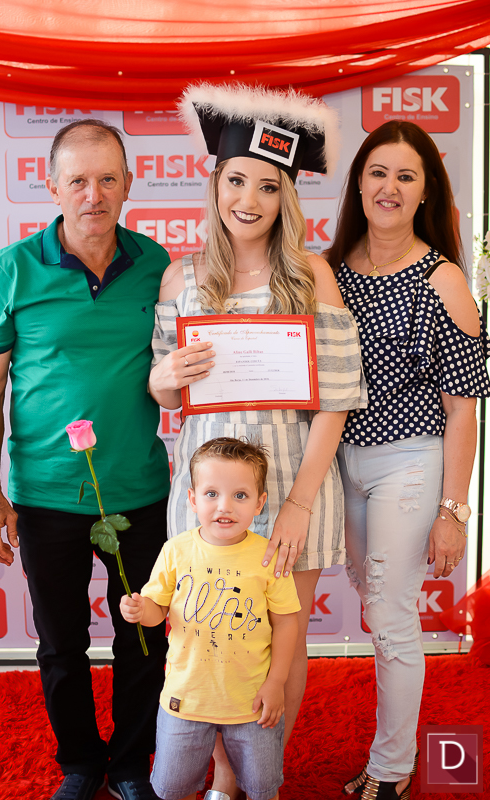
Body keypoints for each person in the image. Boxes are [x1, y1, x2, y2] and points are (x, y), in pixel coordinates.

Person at [149, 83, 367, 795]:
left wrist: (298, 504)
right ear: (216, 183)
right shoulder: (181, 277)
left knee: (281, 643)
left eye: (268, 186)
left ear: (285, 197)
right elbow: (167, 395)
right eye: (236, 180)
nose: (248, 199)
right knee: (206, 633)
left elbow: (337, 400)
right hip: (207, 488)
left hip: (295, 487)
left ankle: (258, 778)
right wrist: (164, 375)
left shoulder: (310, 274)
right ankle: (222, 783)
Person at [0, 120, 171, 800]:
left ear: (128, 185)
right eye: (78, 180)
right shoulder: (13, 268)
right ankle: (81, 765)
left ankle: (132, 766)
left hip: (139, 491)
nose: (94, 194)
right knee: (60, 643)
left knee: (142, 638)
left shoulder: (157, 266)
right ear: (52, 186)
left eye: (108, 179)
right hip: (45, 494)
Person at [326, 120, 490, 800]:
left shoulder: (442, 280)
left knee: (391, 616)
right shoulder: (329, 270)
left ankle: (390, 770)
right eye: (377, 172)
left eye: (405, 175)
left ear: (425, 192)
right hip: (340, 466)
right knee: (375, 608)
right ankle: (388, 755)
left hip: (411, 462)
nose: (388, 187)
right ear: (358, 184)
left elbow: (463, 412)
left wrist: (453, 511)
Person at [120, 437, 301, 800]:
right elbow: (157, 612)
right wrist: (141, 610)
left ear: (260, 502)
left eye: (240, 495)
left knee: (263, 788)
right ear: (192, 499)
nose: (224, 507)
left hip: (251, 702)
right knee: (174, 789)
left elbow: (286, 622)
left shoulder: (267, 556)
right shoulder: (176, 550)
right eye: (212, 494)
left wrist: (276, 682)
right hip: (185, 698)